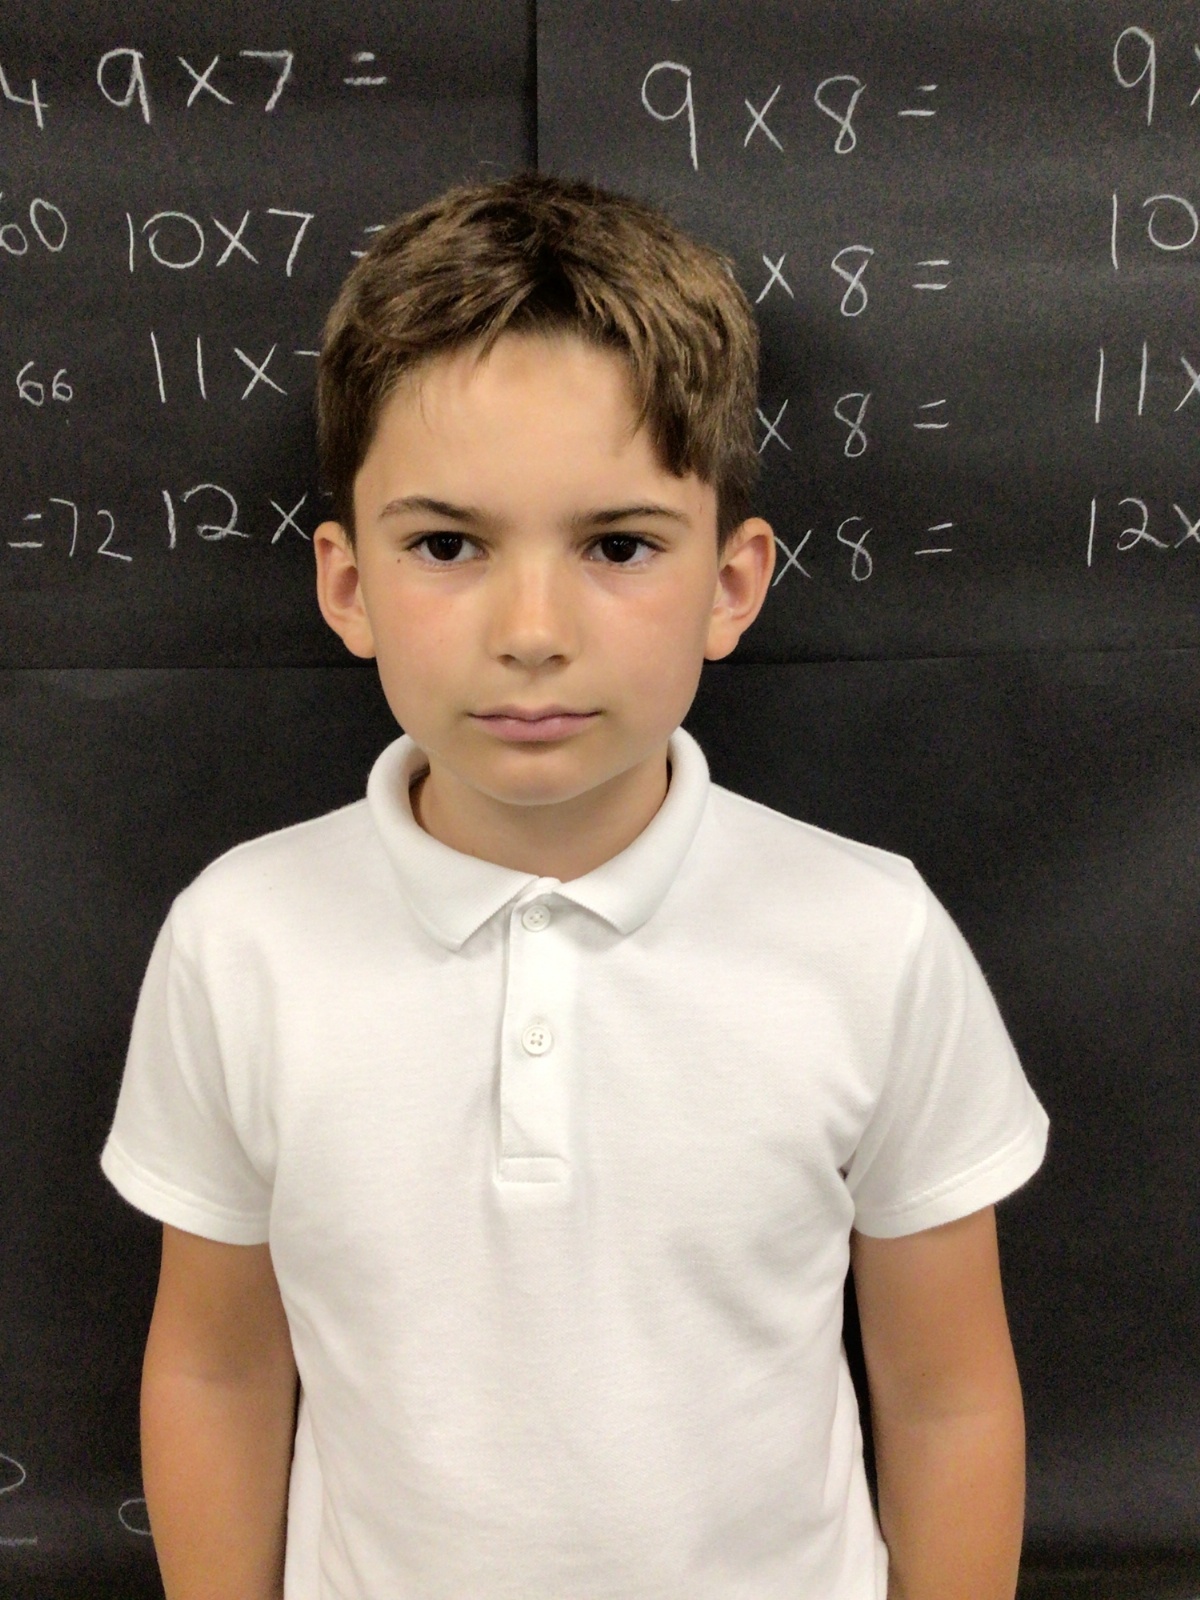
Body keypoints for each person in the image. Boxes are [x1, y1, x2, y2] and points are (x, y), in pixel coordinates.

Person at [100, 171, 1049, 1600]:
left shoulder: (872, 936)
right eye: (447, 546)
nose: (533, 630)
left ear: (731, 584)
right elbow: (219, 1368)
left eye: (617, 546)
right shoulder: (241, 940)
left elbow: (948, 1394)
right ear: (347, 585)